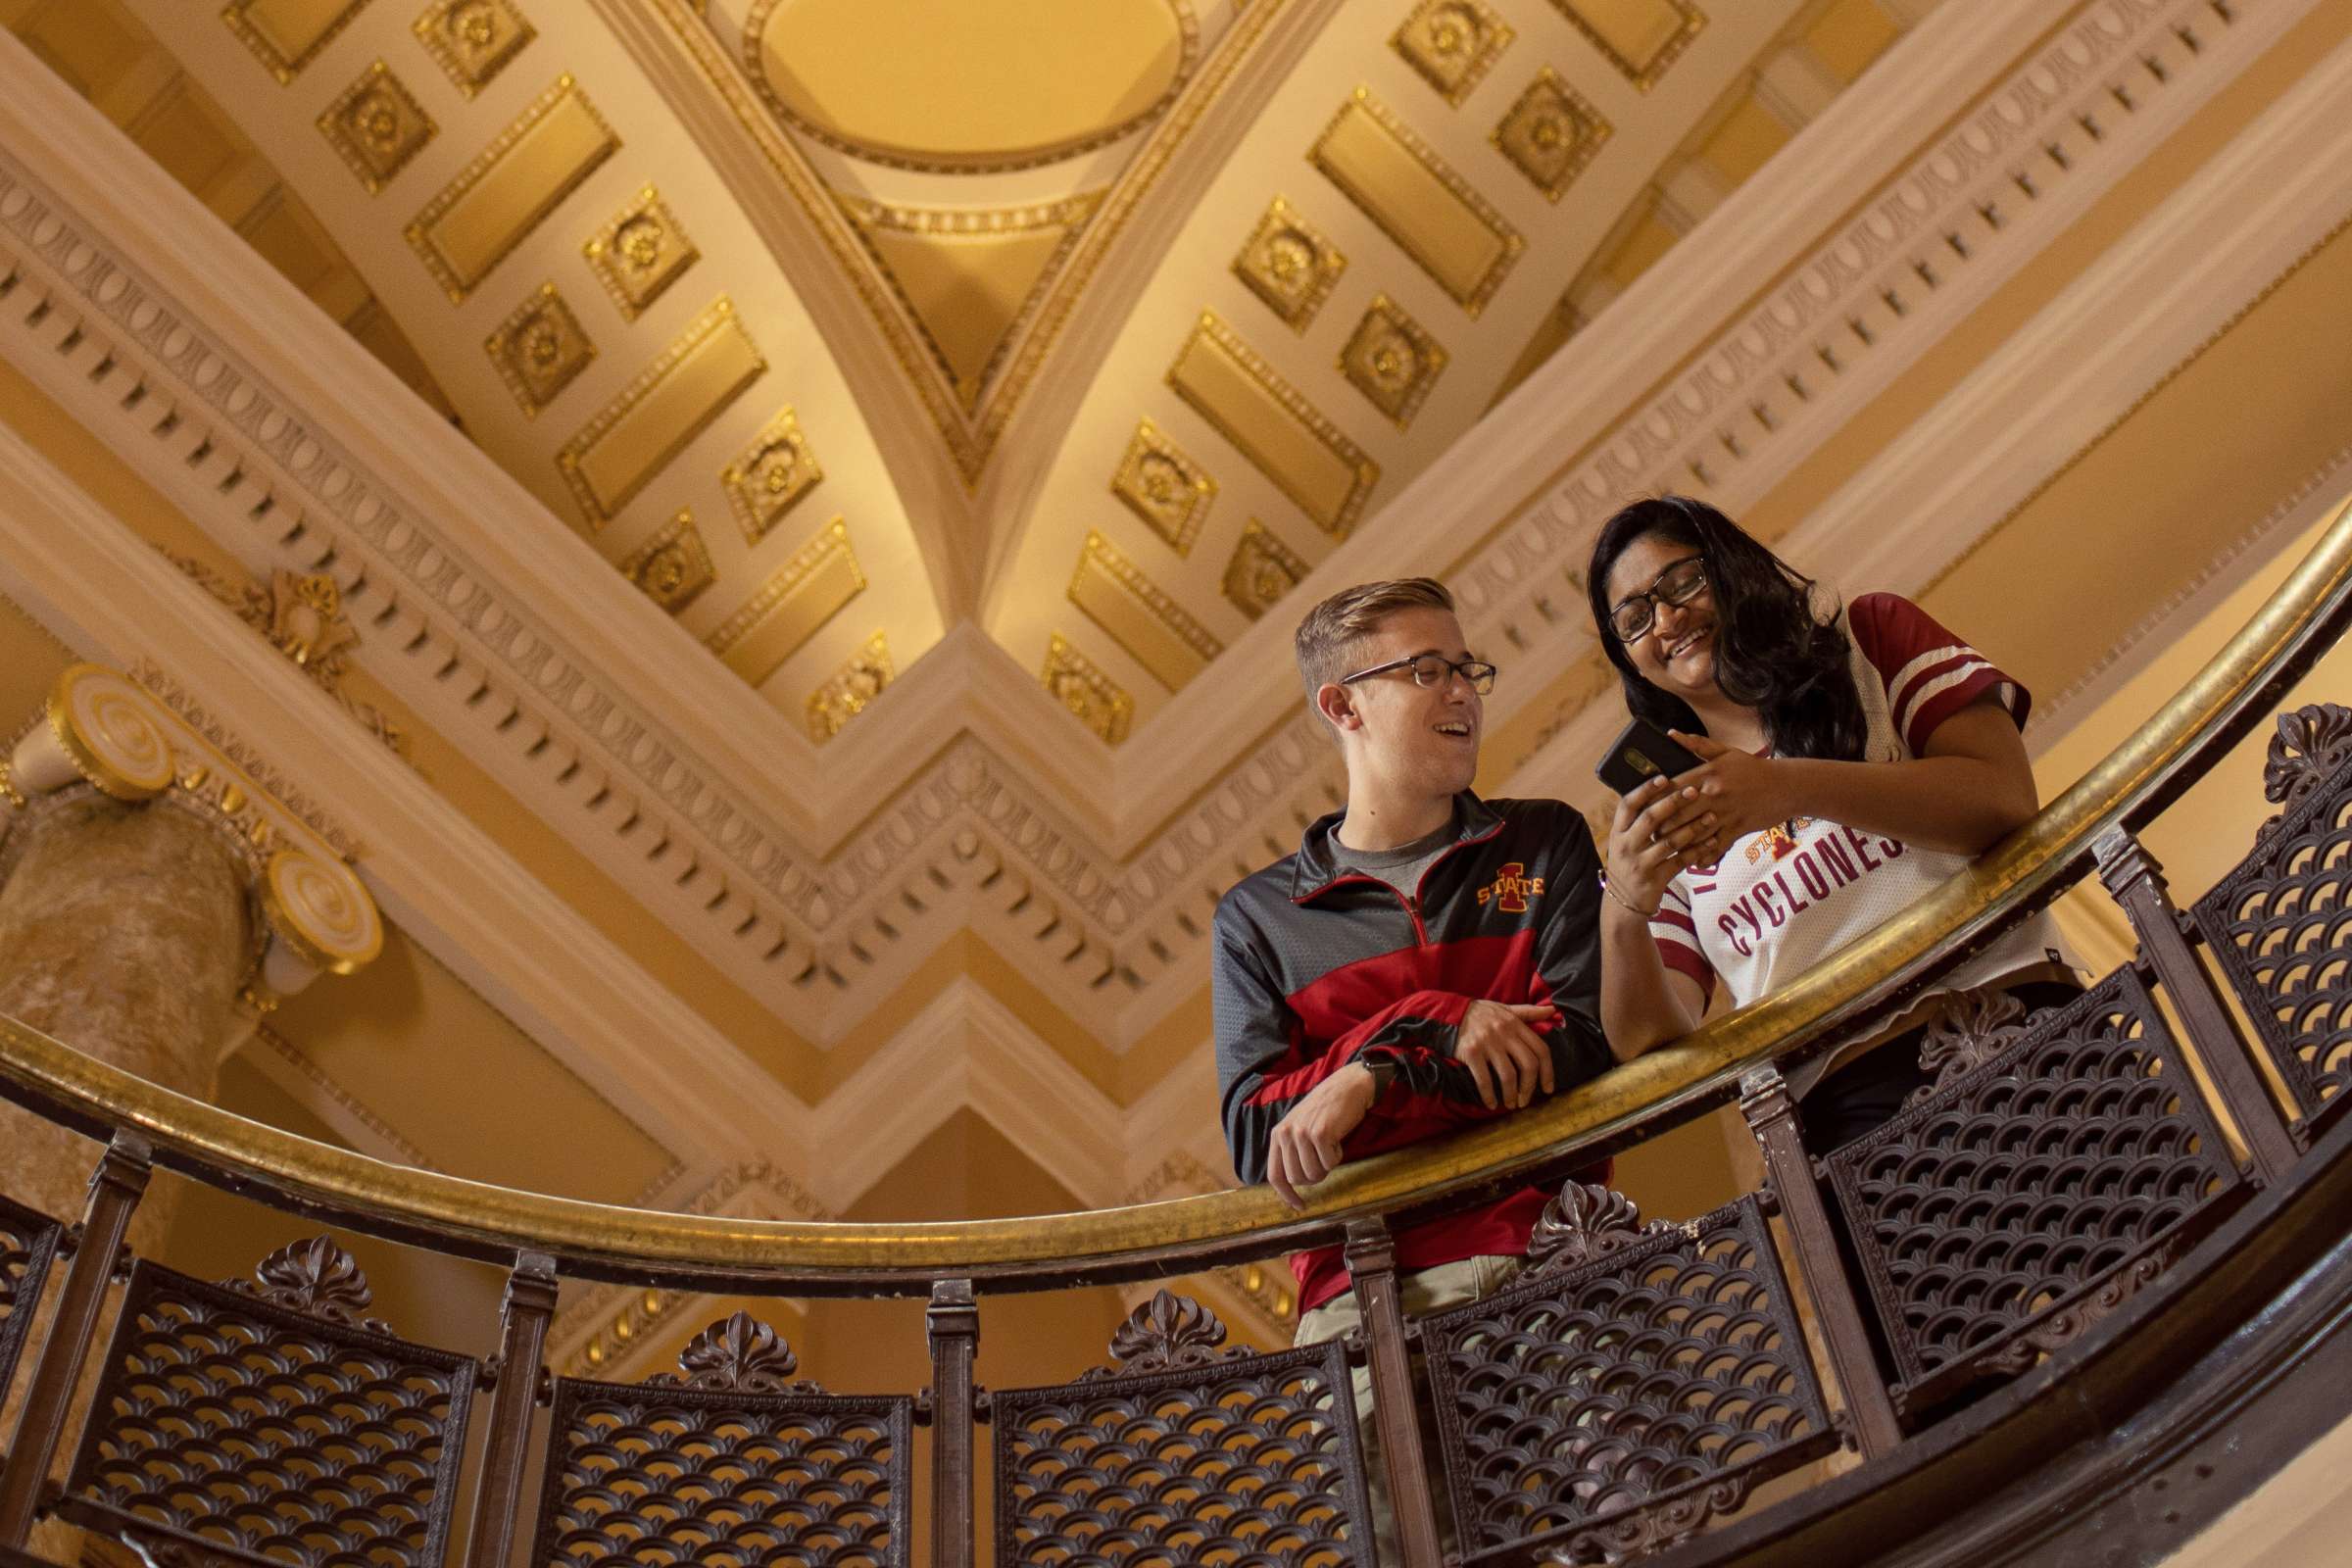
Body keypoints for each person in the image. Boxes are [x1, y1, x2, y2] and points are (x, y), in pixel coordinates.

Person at [1212, 576, 1618, 1555]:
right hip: (1362, 1303)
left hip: (1552, 1260)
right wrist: (1431, 1028)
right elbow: (1262, 1135)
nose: (1464, 693)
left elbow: (1576, 1050)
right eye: (1426, 670)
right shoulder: (1260, 920)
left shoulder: (1545, 839)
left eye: (1466, 668)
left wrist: (1365, 1085)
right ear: (1342, 705)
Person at [1587, 496, 2078, 1148]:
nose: (1669, 618)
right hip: (1843, 1123)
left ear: (1732, 569)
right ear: (1629, 656)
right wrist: (1623, 907)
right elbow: (1649, 1041)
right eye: (1635, 616)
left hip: (2020, 1027)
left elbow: (2003, 799)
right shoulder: (1670, 811)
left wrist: (1785, 788)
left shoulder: (1868, 641)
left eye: (1683, 581)